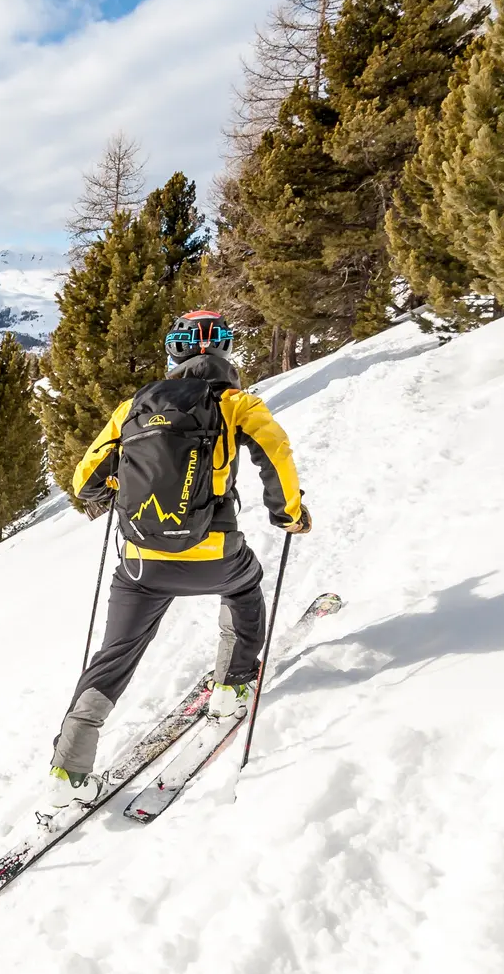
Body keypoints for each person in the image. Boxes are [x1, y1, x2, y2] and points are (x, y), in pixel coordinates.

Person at [43, 309, 310, 823]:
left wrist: (122, 488)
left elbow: (85, 482)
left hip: (142, 561)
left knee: (115, 654)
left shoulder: (134, 406)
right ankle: (231, 688)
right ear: (225, 353)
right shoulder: (236, 403)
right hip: (214, 555)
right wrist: (289, 514)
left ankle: (68, 773)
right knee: (246, 588)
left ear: (175, 354)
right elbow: (275, 454)